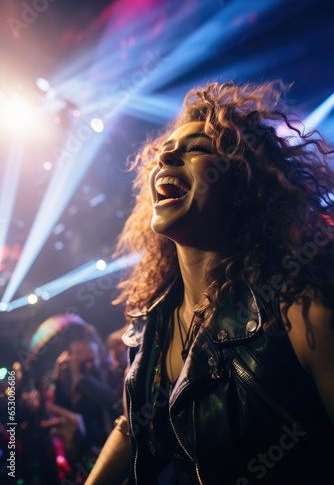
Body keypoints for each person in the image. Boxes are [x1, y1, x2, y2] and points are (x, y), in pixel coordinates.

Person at [85, 81, 334, 484]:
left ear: (242, 186)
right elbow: (133, 426)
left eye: (197, 147)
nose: (166, 153)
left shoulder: (300, 307)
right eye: (167, 148)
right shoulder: (150, 328)